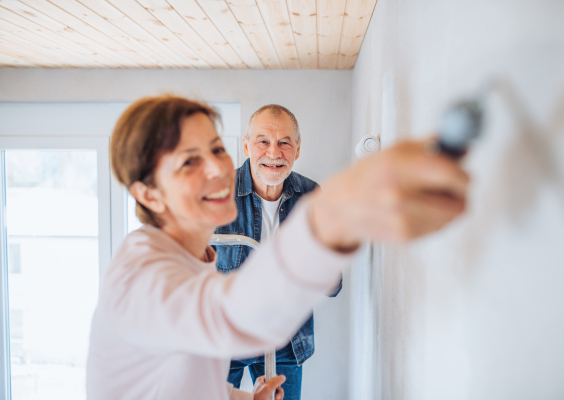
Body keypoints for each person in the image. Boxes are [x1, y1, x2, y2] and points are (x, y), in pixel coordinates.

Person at [86, 95, 469, 400]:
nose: (218, 170)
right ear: (149, 194)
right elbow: (231, 317)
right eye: (189, 162)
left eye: (217, 150)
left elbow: (180, 376)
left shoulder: (192, 258)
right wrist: (333, 213)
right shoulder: (138, 275)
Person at [215, 104, 341, 399]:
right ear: (246, 146)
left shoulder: (312, 196)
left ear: (297, 149)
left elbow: (333, 285)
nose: (274, 153)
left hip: (285, 341)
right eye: (263, 141)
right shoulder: (217, 194)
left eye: (284, 142)